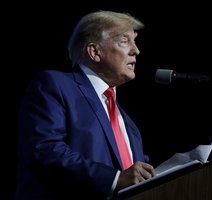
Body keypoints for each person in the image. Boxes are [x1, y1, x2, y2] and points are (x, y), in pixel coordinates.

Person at [14, 10, 156, 200]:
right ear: (94, 51)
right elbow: (46, 150)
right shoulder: (54, 84)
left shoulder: (129, 125)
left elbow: (138, 177)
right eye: (124, 40)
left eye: (135, 41)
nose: (136, 50)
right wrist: (114, 179)